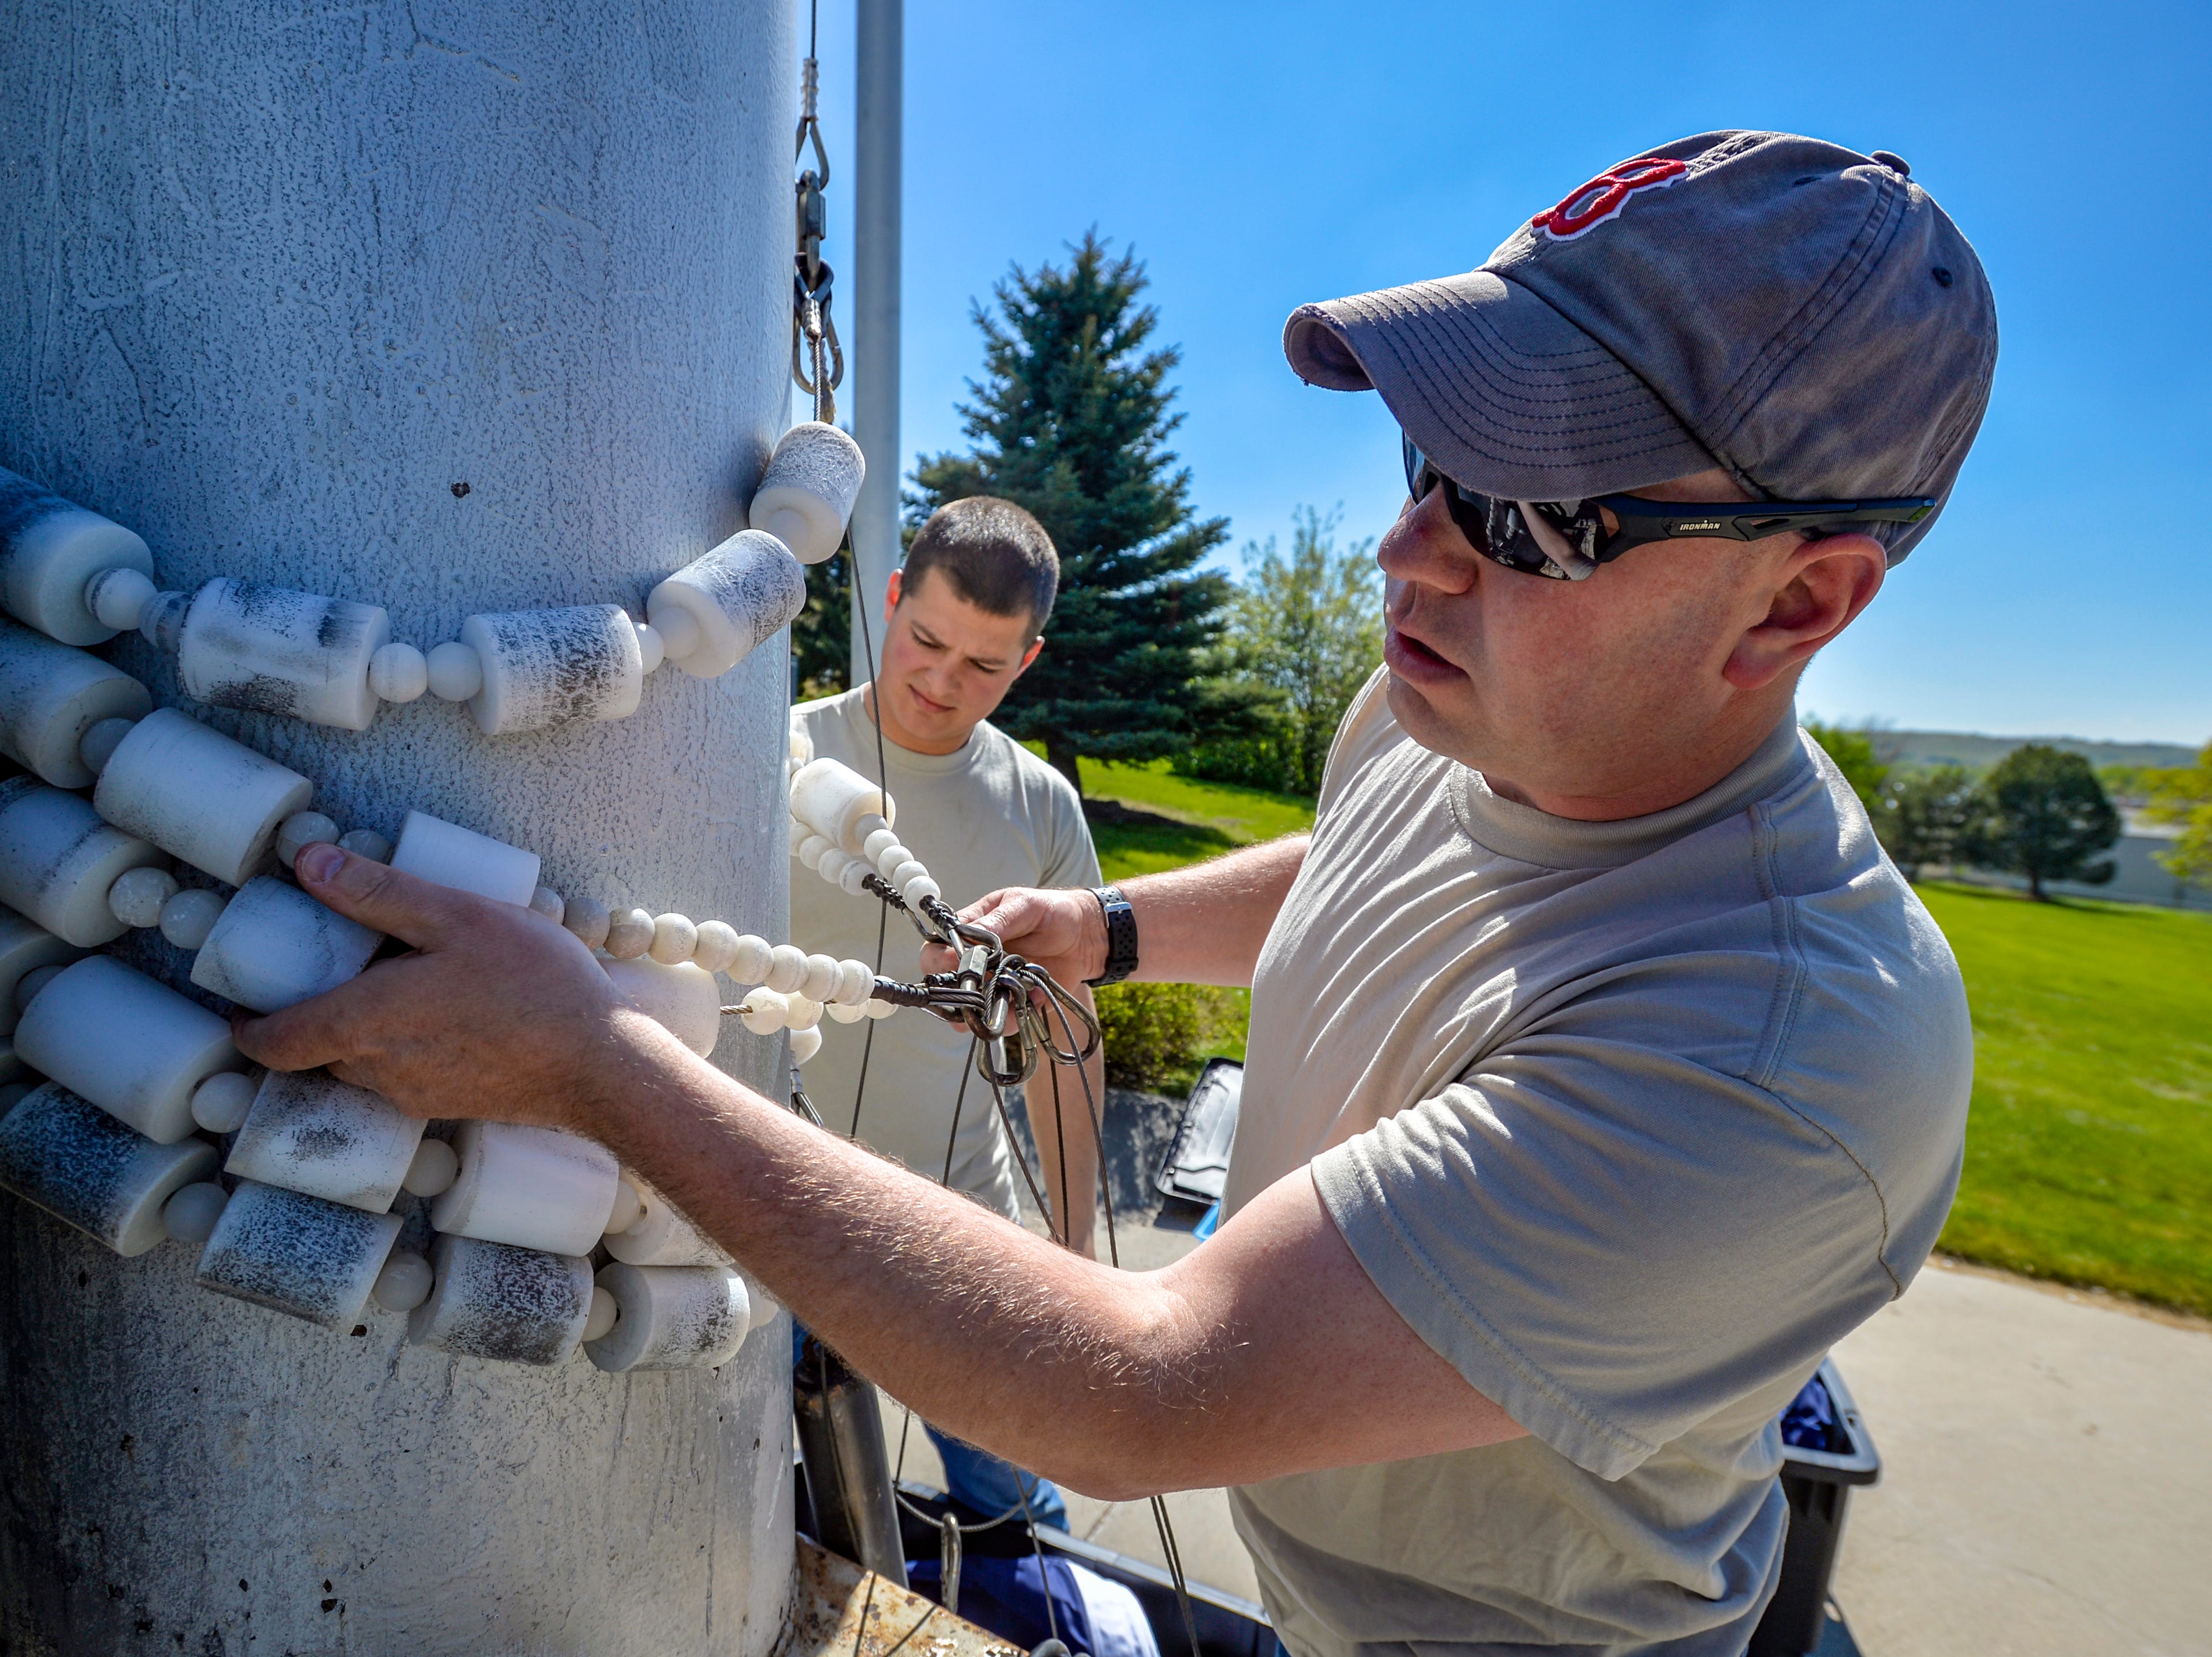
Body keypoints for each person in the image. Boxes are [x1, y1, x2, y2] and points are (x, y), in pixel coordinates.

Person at [237, 131, 1994, 1655]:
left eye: (1537, 513)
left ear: (1795, 606)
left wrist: (587, 1063)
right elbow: (1378, 854)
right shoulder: (1460, 703)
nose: (1410, 552)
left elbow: (1138, 1395)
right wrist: (1122, 928)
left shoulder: (1782, 1055)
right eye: (1431, 462)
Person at [791, 495, 1105, 1529]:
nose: (939, 681)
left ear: (1031, 659)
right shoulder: (774, 756)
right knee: (760, 1517)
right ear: (890, 600)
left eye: (984, 665)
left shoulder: (1043, 806)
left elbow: (1068, 1046)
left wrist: (1072, 1256)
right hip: (766, 1211)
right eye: (925, 639)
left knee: (1023, 1517)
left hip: (960, 1231)